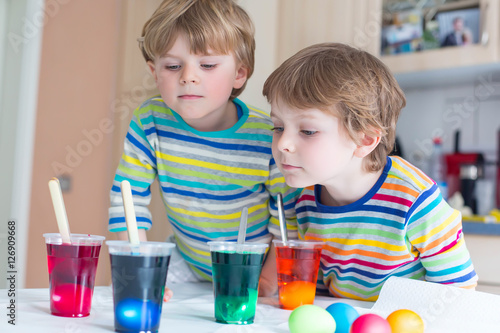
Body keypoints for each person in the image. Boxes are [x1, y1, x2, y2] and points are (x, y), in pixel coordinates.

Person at [108, 0, 299, 300]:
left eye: (207, 65)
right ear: (154, 71)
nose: (188, 76)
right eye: (172, 66)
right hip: (187, 262)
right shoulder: (150, 121)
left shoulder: (267, 136)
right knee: (129, 296)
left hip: (252, 267)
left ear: (239, 74)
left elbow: (287, 216)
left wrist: (267, 278)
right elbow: (127, 198)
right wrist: (142, 267)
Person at [262, 43, 478, 301]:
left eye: (307, 131)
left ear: (364, 140)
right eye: (277, 127)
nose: (283, 143)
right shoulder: (297, 197)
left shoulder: (416, 200)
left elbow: (459, 295)